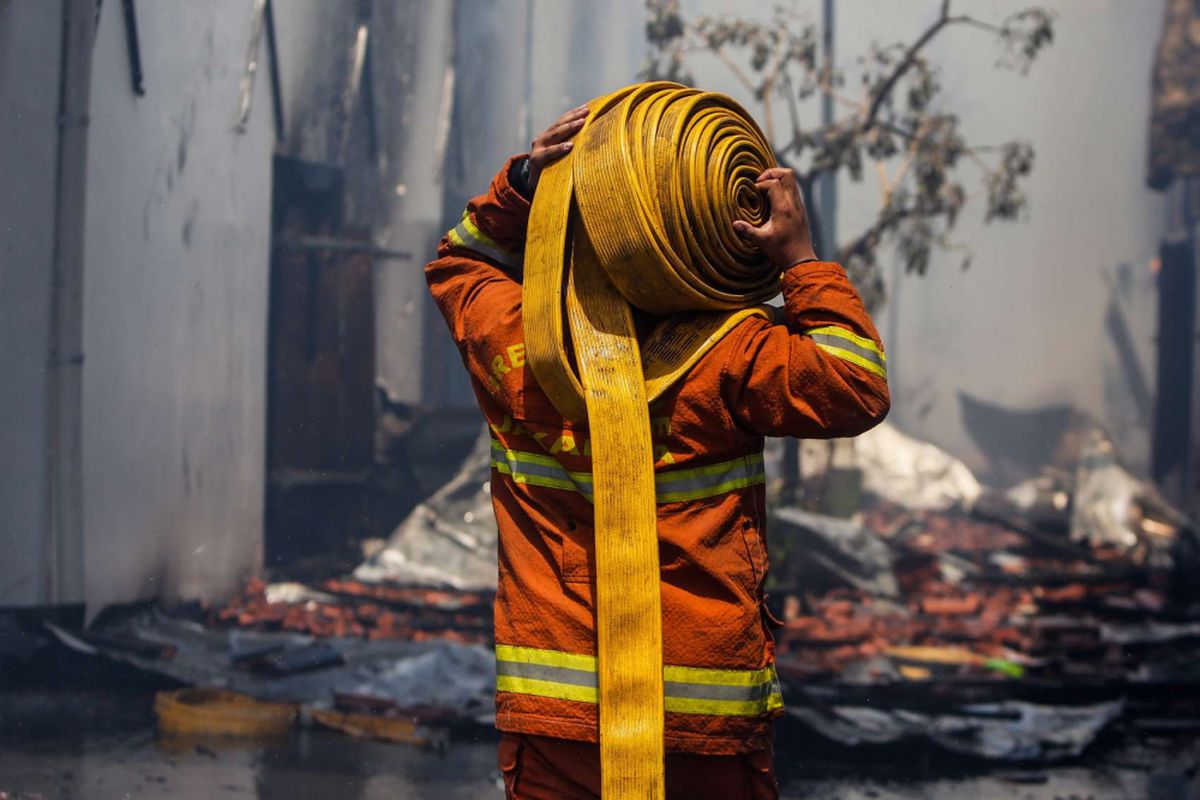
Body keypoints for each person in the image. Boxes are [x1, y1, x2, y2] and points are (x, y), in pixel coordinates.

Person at [425, 105, 890, 800]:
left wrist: (525, 181)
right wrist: (799, 259)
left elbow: (459, 260)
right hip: (701, 730)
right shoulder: (733, 354)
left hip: (559, 722)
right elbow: (855, 384)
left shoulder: (512, 340)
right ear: (692, 233)